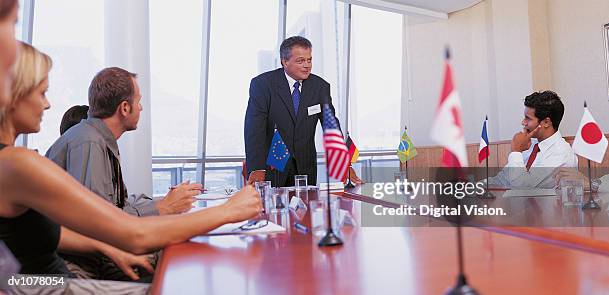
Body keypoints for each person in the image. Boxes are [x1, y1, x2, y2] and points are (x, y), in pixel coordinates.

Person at [0, 42, 261, 283]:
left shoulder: (24, 158)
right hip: (57, 280)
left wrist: (109, 242)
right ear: (12, 94)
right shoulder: (30, 159)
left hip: (46, 279)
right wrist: (227, 211)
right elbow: (130, 234)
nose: (47, 104)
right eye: (42, 92)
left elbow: (52, 230)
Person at [46, 67, 198, 217]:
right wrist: (164, 207)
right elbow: (97, 219)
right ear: (125, 108)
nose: (141, 108)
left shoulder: (97, 139)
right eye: (138, 101)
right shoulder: (90, 142)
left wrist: (165, 202)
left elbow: (117, 205)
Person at [244, 36, 361, 187]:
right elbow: (254, 130)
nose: (307, 65)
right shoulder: (263, 85)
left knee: (306, 209)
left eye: (309, 60)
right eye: (300, 61)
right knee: (271, 208)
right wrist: (257, 167)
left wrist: (346, 165)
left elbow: (331, 127)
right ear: (285, 62)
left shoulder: (320, 87)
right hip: (272, 166)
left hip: (305, 167)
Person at [487, 90, 577, 189]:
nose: (523, 122)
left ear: (546, 122)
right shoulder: (530, 144)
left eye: (528, 118)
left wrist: (516, 151)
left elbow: (522, 188)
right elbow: (501, 180)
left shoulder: (562, 154)